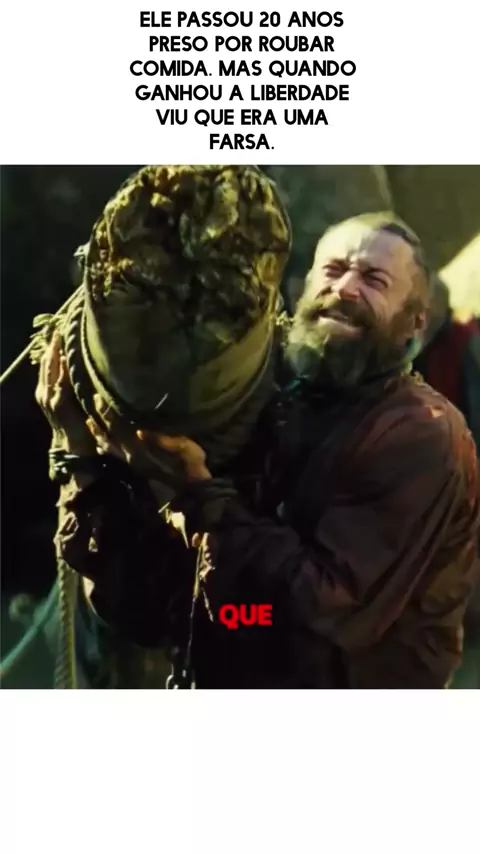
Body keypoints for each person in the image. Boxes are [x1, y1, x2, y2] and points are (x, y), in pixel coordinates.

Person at [37, 213, 480, 688]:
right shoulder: (268, 399)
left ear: (415, 321)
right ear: (302, 288)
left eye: (374, 280)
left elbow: (317, 616)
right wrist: (83, 454)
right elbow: (144, 610)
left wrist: (197, 495)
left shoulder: (419, 435)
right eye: (333, 270)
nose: (346, 288)